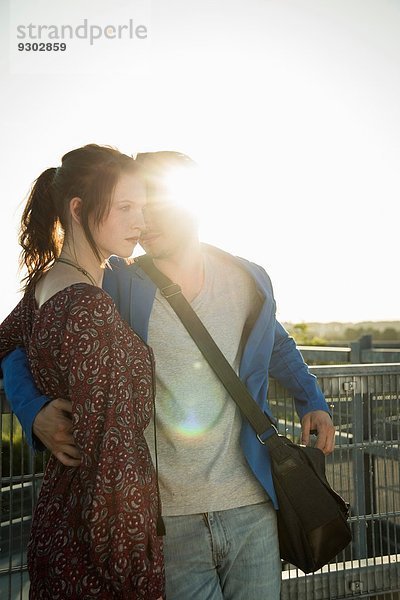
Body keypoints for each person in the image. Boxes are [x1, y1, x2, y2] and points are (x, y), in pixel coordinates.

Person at [2, 151, 335, 600]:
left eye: (155, 207)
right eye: (135, 208)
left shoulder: (247, 278)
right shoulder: (115, 282)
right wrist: (34, 409)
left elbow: (277, 344)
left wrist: (311, 399)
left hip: (252, 504)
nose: (144, 223)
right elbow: (19, 337)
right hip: (164, 516)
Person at [0, 144, 165, 600]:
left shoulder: (47, 285)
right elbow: (111, 459)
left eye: (144, 207)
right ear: (78, 209)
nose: (141, 222)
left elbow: (4, 341)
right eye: (126, 207)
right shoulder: (88, 307)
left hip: (59, 526)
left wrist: (32, 408)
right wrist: (135, 573)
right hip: (99, 558)